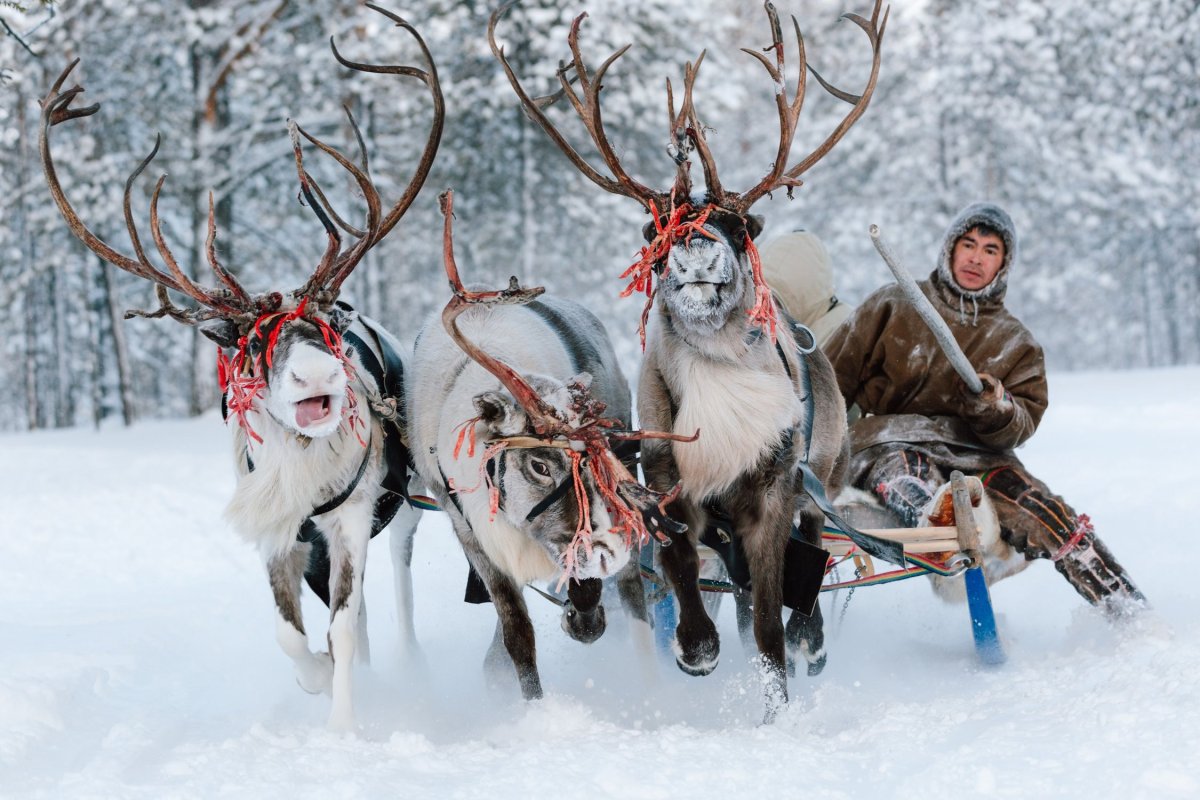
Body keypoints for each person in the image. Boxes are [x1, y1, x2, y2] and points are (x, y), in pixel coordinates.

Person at [823, 202, 1145, 615]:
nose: (976, 258)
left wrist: (996, 407)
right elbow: (830, 381)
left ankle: (1131, 614)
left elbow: (1023, 421)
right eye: (969, 244)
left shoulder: (1016, 343)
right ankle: (951, 549)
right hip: (890, 444)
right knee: (919, 489)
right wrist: (818, 461)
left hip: (979, 454)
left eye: (990, 250)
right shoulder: (894, 304)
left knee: (1049, 515)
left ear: (1003, 264)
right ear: (950, 249)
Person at [759, 230, 852, 347]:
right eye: (757, 297)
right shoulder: (788, 335)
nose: (761, 312)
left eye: (773, 300)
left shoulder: (841, 335)